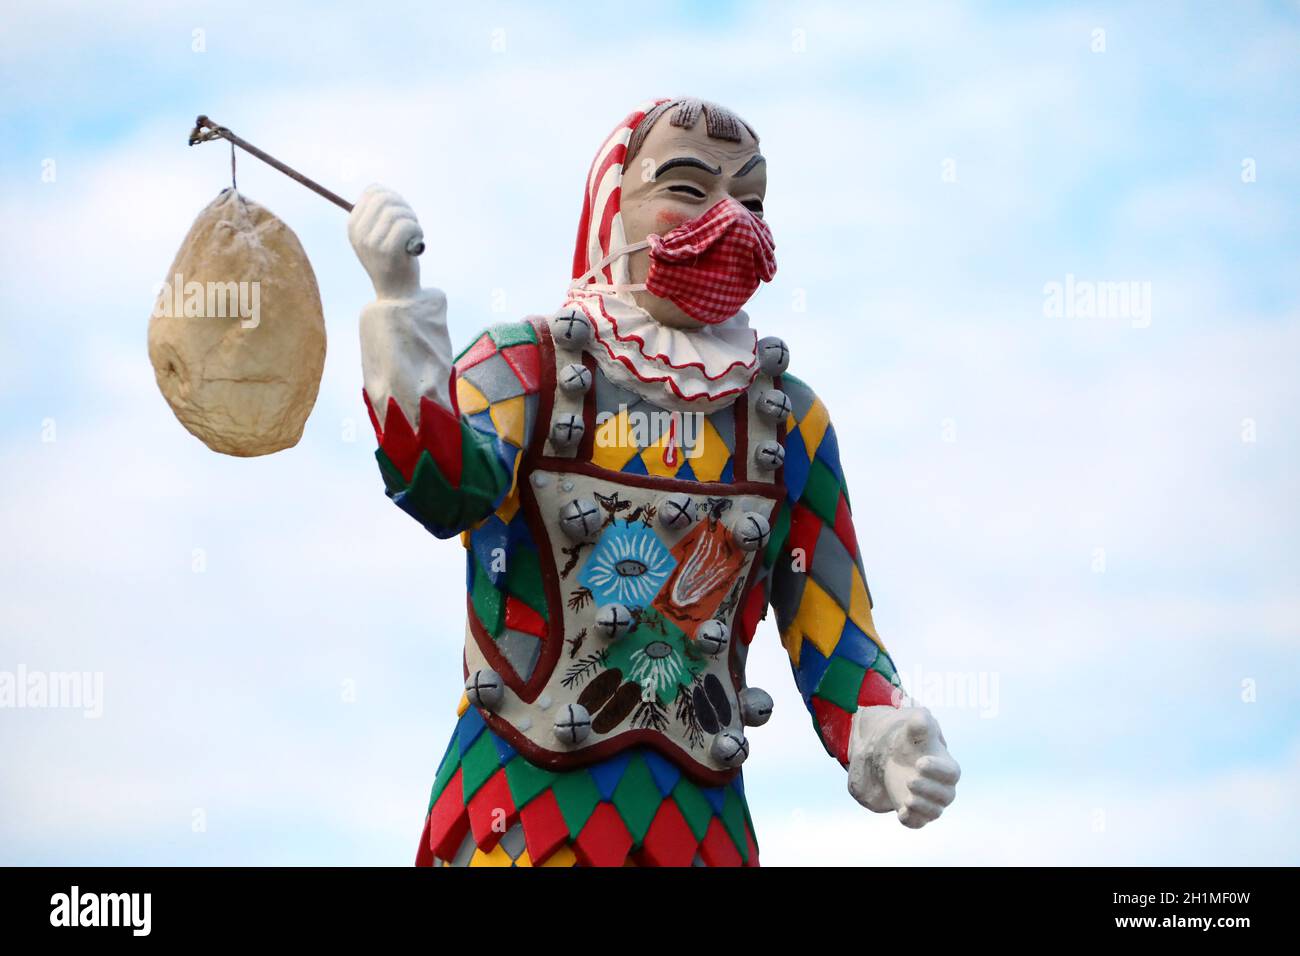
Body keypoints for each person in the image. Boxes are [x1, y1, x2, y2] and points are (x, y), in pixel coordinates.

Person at [348, 97, 960, 867]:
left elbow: (833, 627)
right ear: (611, 205)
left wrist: (885, 732)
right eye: (690, 187)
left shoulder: (788, 421)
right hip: (520, 814)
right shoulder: (526, 369)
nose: (730, 219)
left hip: (699, 827)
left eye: (751, 199)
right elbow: (444, 491)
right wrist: (399, 312)